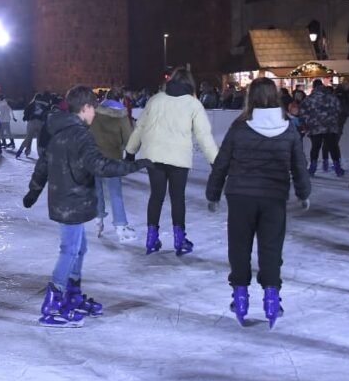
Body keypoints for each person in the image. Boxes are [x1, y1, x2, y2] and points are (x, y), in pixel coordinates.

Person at [24, 85, 150, 326]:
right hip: (72, 203)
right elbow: (101, 166)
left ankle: (71, 294)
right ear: (85, 108)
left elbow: (43, 164)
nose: (95, 116)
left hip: (67, 201)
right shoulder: (81, 135)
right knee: (70, 250)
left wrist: (34, 190)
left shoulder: (56, 129)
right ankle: (53, 302)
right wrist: (137, 164)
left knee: (80, 249)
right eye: (94, 109)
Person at [205, 79, 311, 329]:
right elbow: (299, 164)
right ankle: (271, 299)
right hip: (273, 197)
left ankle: (240, 297)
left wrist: (213, 193)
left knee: (239, 247)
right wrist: (303, 192)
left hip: (241, 195)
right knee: (271, 248)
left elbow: (222, 162)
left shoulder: (240, 127)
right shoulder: (288, 127)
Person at [125, 67, 218, 256]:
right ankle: (179, 238)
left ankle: (151, 238)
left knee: (156, 196)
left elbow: (140, 127)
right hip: (178, 157)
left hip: (154, 155)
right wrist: (215, 162)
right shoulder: (193, 104)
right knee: (178, 198)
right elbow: (204, 136)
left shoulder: (156, 99)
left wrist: (130, 151)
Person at [89, 89, 137, 242]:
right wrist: (122, 147)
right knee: (115, 192)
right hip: (112, 158)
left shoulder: (94, 113)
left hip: (94, 157)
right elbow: (129, 138)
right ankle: (121, 227)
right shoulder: (122, 115)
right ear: (120, 99)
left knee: (97, 190)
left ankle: (98, 219)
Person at [299, 79, 343, 176]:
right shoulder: (331, 97)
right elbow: (339, 109)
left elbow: (302, 113)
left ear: (314, 87)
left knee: (315, 147)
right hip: (330, 127)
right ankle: (338, 169)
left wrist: (308, 122)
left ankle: (312, 169)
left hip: (315, 127)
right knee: (333, 148)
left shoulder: (309, 99)